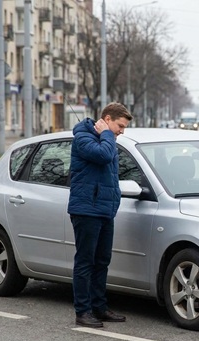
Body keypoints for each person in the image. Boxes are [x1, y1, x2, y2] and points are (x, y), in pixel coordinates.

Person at [68, 102, 133, 328]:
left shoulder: (108, 140)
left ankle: (99, 307)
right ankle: (83, 312)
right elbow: (104, 156)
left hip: (104, 209)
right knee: (85, 261)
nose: (121, 131)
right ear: (106, 119)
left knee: (102, 261)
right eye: (119, 126)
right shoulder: (83, 138)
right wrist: (106, 133)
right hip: (86, 209)